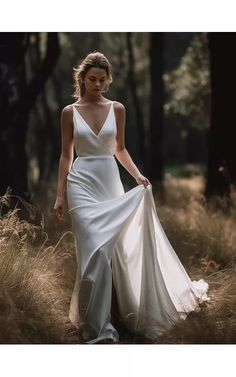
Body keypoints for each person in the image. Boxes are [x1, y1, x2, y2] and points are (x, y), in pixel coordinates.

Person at [54, 51, 209, 344]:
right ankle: (97, 327)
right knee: (95, 253)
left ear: (108, 80)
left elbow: (120, 149)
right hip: (81, 184)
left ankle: (119, 313)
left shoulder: (118, 109)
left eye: (102, 79)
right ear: (82, 78)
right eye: (92, 79)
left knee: (117, 253)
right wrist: (60, 195)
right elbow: (66, 154)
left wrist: (137, 176)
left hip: (109, 182)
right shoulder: (69, 112)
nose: (97, 84)